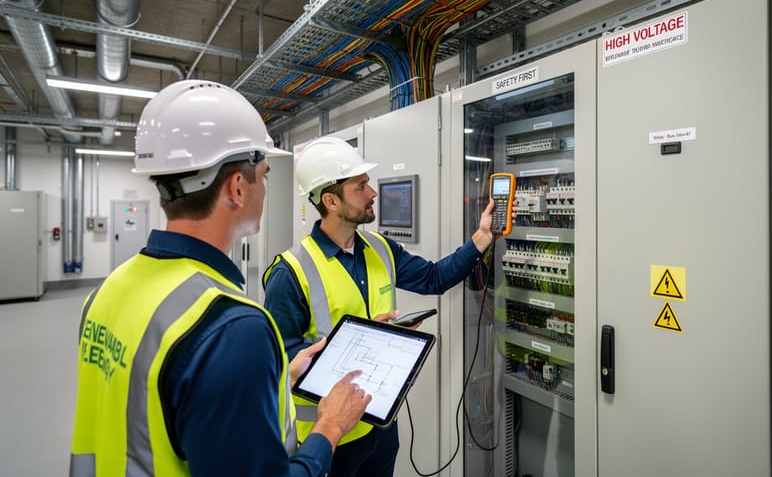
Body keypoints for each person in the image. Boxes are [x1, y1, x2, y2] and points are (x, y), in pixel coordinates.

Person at [69, 80, 372, 477]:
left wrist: (282, 374)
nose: (265, 187)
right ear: (237, 188)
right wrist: (329, 428)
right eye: (263, 175)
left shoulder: (107, 291)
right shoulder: (231, 326)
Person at [262, 137, 499, 477]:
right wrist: (365, 338)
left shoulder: (380, 248)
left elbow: (434, 278)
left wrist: (481, 238)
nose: (372, 193)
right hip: (330, 436)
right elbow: (282, 362)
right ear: (331, 200)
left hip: (381, 424)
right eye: (360, 187)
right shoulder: (290, 271)